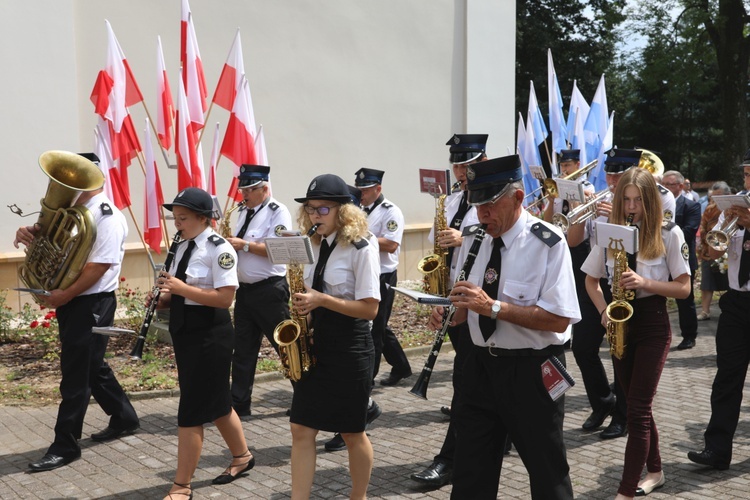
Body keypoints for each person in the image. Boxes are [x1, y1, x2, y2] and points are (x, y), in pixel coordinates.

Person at [433, 154, 581, 499]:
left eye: (490, 204)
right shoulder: (473, 236)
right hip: (479, 365)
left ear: (517, 198)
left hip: (532, 369)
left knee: (547, 472)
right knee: (470, 473)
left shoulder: (549, 242)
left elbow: (559, 317)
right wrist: (448, 313)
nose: (482, 213)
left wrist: (493, 307)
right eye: (477, 204)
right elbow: (465, 304)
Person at [14, 152, 140, 473]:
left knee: (75, 375)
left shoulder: (106, 215)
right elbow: (53, 249)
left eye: (73, 178)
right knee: (90, 364)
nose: (64, 185)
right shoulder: (72, 212)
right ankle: (125, 417)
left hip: (92, 302)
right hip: (73, 300)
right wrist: (28, 235)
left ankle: (65, 445)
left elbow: (99, 266)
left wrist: (63, 294)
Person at [582, 167, 691, 499]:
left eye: (637, 201)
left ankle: (625, 491)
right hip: (620, 324)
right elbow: (590, 280)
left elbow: (684, 288)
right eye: (625, 200)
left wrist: (644, 282)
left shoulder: (670, 233)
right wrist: (603, 312)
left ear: (650, 202)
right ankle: (655, 472)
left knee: (638, 410)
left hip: (654, 323)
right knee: (635, 405)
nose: (631, 208)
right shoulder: (608, 234)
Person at [288, 174, 381, 500]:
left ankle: (359, 496)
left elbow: (370, 309)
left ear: (343, 211)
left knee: (352, 432)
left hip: (351, 347)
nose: (315, 216)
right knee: (301, 428)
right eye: (311, 209)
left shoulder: (362, 246)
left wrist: (320, 300)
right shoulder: (312, 245)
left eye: (323, 209)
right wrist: (303, 314)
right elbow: (308, 295)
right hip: (317, 345)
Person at [157, 188, 252, 499]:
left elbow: (224, 298)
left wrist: (181, 288)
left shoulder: (219, 248)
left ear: (203, 218)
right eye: (175, 218)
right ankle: (242, 457)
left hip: (210, 335)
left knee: (192, 410)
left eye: (183, 218)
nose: (177, 224)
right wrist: (165, 298)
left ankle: (182, 485)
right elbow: (185, 291)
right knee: (218, 403)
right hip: (186, 332)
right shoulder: (184, 245)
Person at [410, 133, 486, 488]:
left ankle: (449, 459)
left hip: (481, 298)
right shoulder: (454, 198)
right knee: (473, 379)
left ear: (481, 163)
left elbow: (500, 236)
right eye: (457, 164)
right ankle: (500, 437)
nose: (460, 171)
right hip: (453, 294)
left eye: (467, 164)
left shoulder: (492, 197)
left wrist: (464, 237)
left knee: (467, 383)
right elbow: (434, 242)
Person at [545, 149, 620, 435]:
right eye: (609, 172)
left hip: (625, 281)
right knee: (583, 347)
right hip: (596, 277)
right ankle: (603, 402)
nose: (611, 179)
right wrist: (564, 201)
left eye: (618, 173)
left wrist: (617, 216)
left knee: (620, 352)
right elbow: (572, 238)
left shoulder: (646, 201)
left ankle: (623, 415)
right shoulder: (593, 198)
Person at [687, 152, 750, 471]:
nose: (749, 181)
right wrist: (711, 225)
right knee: (727, 378)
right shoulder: (737, 208)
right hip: (738, 304)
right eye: (748, 174)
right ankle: (717, 449)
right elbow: (711, 253)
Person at [227, 164, 293, 417]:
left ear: (264, 188)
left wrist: (244, 246)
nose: (244, 194)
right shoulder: (244, 211)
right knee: (242, 349)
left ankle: (305, 395)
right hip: (245, 291)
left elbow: (278, 250)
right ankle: (239, 404)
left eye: (249, 190)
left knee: (285, 347)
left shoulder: (278, 212)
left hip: (270, 291)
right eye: (242, 189)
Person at [357, 167, 411, 387]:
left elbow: (390, 244)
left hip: (384, 277)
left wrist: (362, 236)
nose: (361, 193)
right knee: (378, 324)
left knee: (376, 329)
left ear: (378, 189)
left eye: (366, 189)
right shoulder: (358, 208)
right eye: (359, 189)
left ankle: (367, 381)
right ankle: (401, 367)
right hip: (365, 273)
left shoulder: (391, 211)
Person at [662, 170, 701, 349]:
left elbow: (689, 231)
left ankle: (689, 336)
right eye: (663, 184)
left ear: (680, 186)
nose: (665, 188)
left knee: (686, 301)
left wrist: (665, 237)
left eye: (670, 185)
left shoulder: (691, 206)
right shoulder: (658, 204)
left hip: (683, 258)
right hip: (661, 259)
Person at [697, 181, 731, 320]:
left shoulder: (732, 208)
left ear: (727, 196)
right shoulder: (709, 209)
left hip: (729, 250)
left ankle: (730, 309)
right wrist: (707, 240)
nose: (717, 200)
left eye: (720, 196)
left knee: (730, 284)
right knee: (707, 283)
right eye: (714, 197)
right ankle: (705, 311)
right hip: (709, 248)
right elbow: (703, 226)